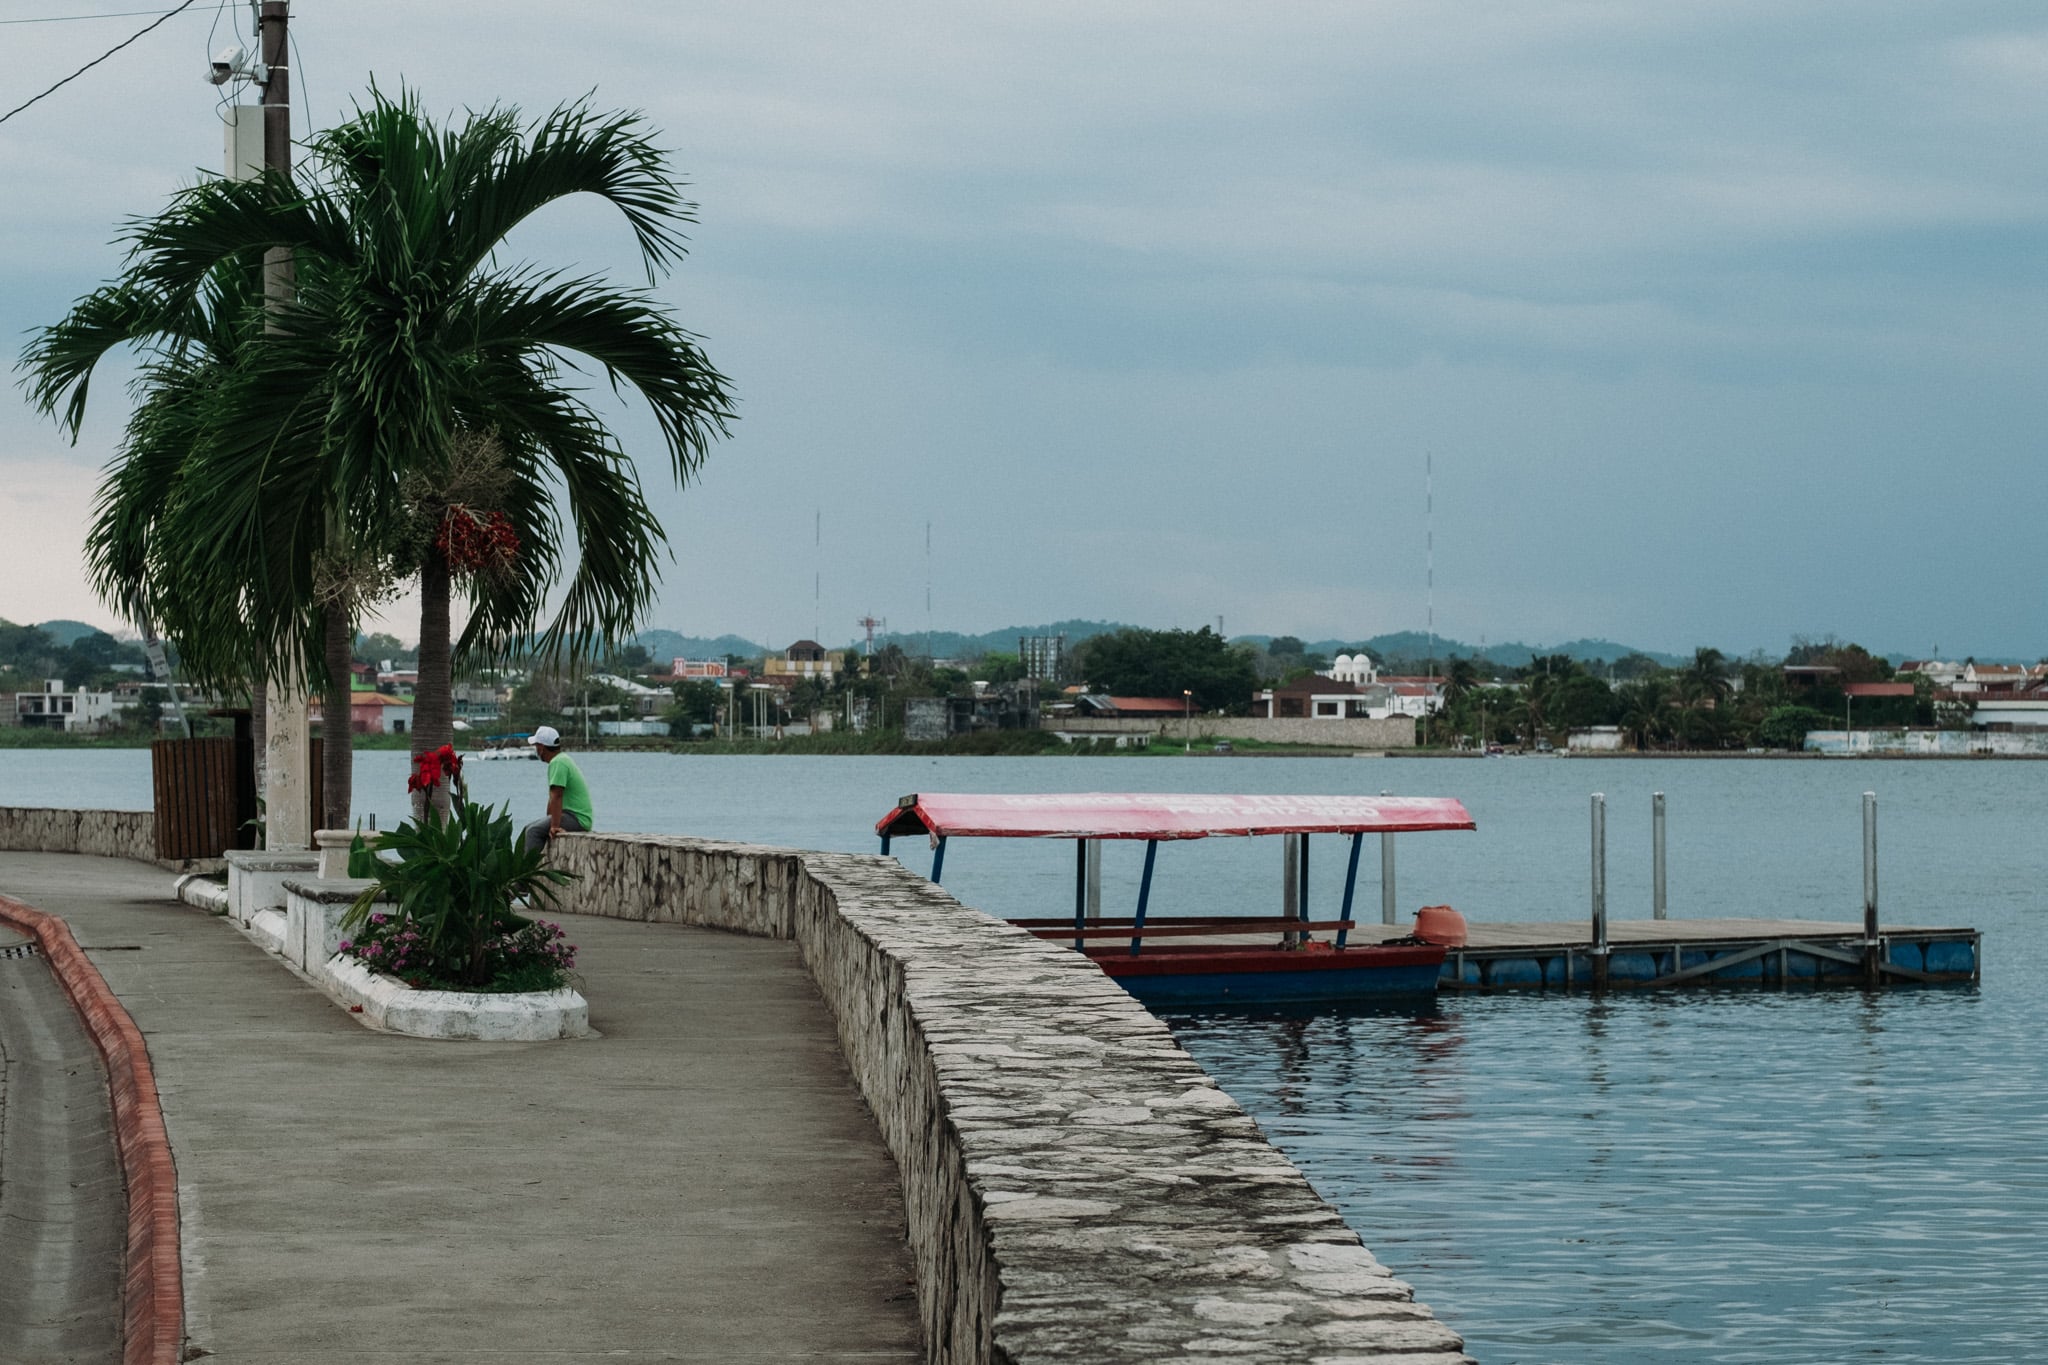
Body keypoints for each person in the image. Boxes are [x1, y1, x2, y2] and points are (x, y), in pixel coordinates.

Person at [522, 726, 594, 854]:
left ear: (542, 747)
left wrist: (554, 826)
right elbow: (552, 798)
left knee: (533, 831)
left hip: (577, 818)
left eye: (536, 746)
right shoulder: (561, 760)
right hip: (569, 815)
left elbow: (557, 796)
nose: (536, 750)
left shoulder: (558, 763)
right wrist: (548, 821)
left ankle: (529, 870)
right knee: (528, 828)